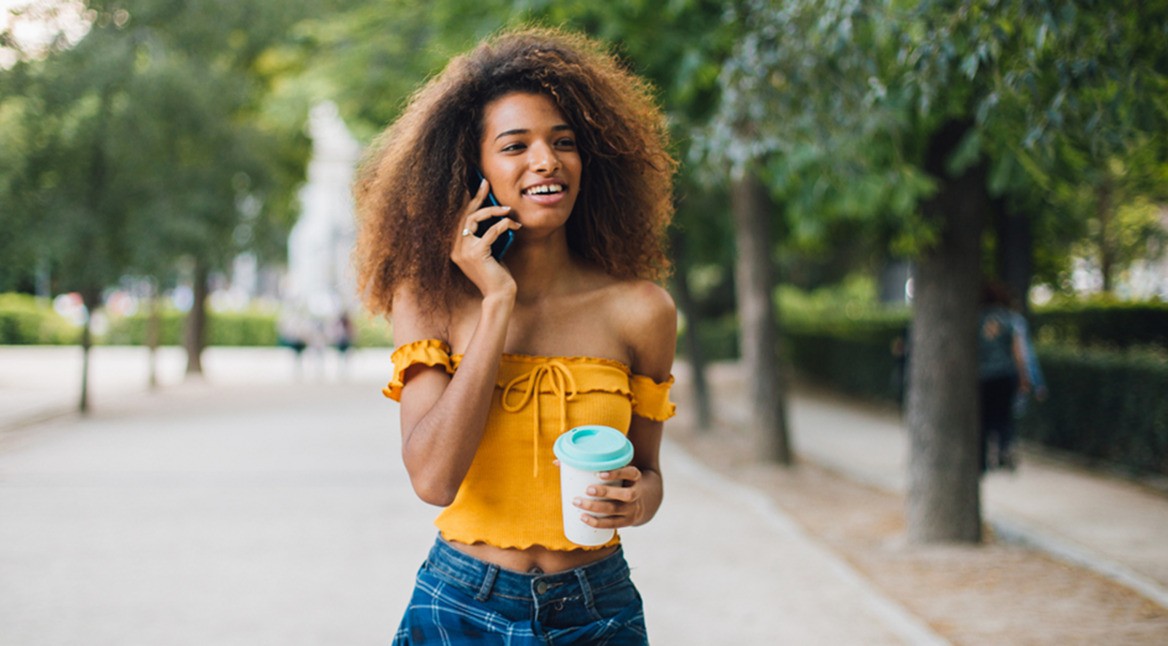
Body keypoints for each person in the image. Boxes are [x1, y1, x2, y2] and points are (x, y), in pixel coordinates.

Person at [353, 27, 678, 644]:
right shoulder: (430, 299)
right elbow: (432, 481)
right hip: (461, 605)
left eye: (564, 142)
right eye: (514, 145)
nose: (546, 161)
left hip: (598, 607)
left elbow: (649, 473)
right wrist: (498, 300)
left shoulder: (642, 310)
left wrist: (639, 502)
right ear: (473, 168)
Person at [977, 282, 1031, 472]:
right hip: (1005, 375)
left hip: (982, 376)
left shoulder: (975, 319)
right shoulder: (1008, 319)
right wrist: (1023, 377)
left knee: (982, 417)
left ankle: (982, 459)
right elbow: (1017, 351)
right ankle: (1005, 449)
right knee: (1004, 416)